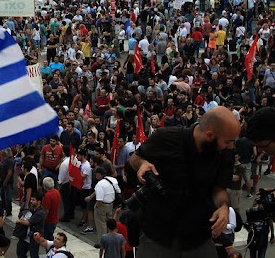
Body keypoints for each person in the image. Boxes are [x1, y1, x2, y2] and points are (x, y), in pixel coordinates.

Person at [129, 106, 240, 256]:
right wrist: (142, 164)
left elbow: (219, 189)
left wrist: (224, 207)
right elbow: (135, 159)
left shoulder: (225, 153)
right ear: (209, 135)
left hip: (198, 238)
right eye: (228, 141)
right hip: (157, 235)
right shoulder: (166, 137)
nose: (231, 146)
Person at [93, 166, 121, 247]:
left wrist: (97, 207)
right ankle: (111, 240)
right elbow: (118, 191)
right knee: (110, 223)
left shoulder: (100, 184)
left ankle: (103, 243)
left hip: (102, 205)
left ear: (99, 174)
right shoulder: (113, 180)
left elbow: (99, 200)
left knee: (101, 225)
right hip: (111, 204)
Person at [15, 192, 46, 258]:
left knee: (34, 255)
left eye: (33, 200)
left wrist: (19, 221)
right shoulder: (31, 209)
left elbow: (28, 222)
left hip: (34, 239)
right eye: (31, 199)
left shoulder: (41, 213)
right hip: (24, 236)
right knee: (20, 252)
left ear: (39, 201)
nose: (31, 201)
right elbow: (23, 215)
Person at [41, 177, 61, 241]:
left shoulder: (48, 195)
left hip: (49, 220)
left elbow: (46, 210)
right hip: (55, 218)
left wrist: (42, 220)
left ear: (45, 186)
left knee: (48, 237)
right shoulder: (57, 192)